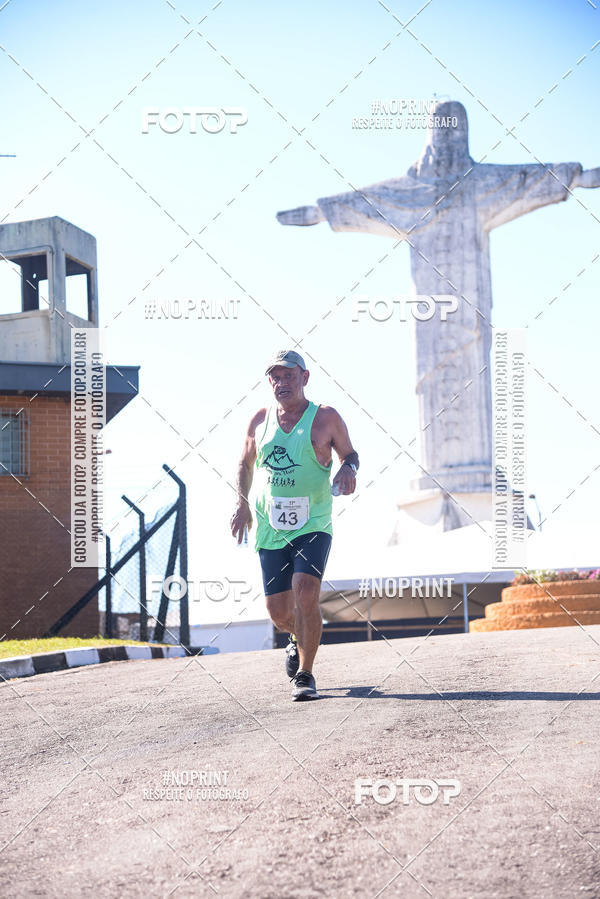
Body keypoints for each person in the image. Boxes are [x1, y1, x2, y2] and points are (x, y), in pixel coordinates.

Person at [230, 349, 359, 701]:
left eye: (289, 375)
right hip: (271, 527)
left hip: (313, 522)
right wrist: (241, 505)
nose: (281, 382)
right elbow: (245, 464)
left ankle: (306, 674)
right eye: (275, 376)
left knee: (305, 592)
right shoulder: (260, 420)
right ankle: (298, 637)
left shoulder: (326, 418)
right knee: (279, 612)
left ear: (304, 377)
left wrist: (348, 469)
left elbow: (350, 454)